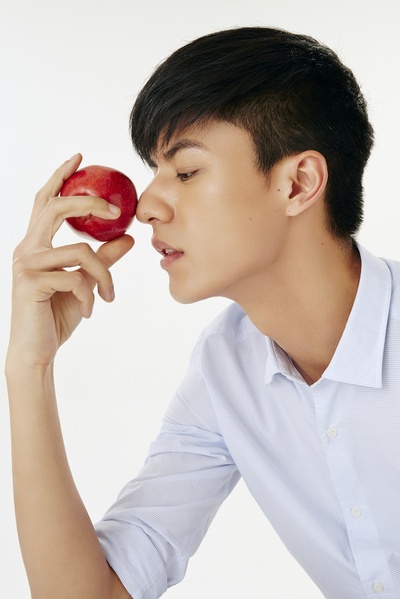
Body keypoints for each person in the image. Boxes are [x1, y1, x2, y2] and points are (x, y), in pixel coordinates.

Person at [5, 25, 400, 599]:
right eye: (154, 172)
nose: (146, 206)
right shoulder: (225, 369)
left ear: (299, 184)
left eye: (186, 171)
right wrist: (29, 366)